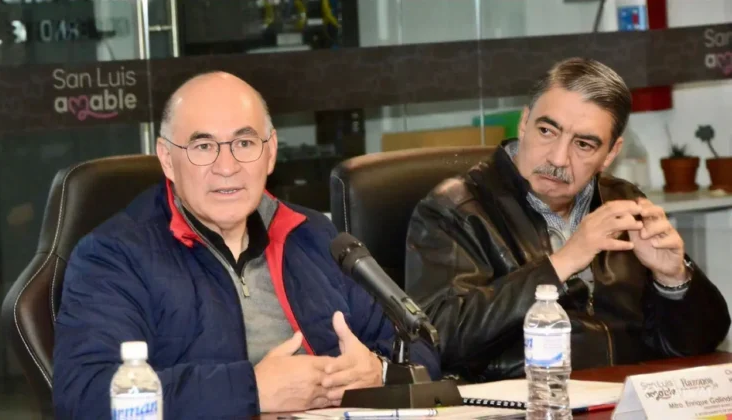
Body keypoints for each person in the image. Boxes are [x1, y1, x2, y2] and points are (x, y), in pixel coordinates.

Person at [53, 72, 440, 418]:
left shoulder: (314, 236)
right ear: (167, 160)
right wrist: (253, 390)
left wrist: (379, 370)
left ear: (270, 153)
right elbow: (85, 396)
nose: (227, 166)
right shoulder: (112, 256)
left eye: (244, 142)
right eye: (203, 147)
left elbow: (423, 345)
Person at [405, 57, 730, 383]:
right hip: (528, 401)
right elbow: (436, 339)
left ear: (610, 154)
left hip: (623, 396)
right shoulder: (457, 209)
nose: (558, 158)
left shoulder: (622, 201)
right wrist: (562, 263)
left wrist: (673, 279)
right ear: (524, 123)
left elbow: (697, 345)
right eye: (547, 131)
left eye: (584, 144)